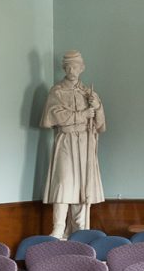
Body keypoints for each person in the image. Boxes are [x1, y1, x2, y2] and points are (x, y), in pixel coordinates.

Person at [41, 50, 106, 237]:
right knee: (63, 182)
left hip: (85, 142)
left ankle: (79, 230)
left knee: (81, 187)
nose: (72, 70)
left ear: (82, 68)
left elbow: (100, 125)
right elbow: (53, 115)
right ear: (64, 68)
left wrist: (97, 107)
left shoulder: (89, 93)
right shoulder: (57, 91)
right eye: (68, 66)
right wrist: (82, 115)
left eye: (75, 66)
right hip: (66, 141)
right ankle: (59, 227)